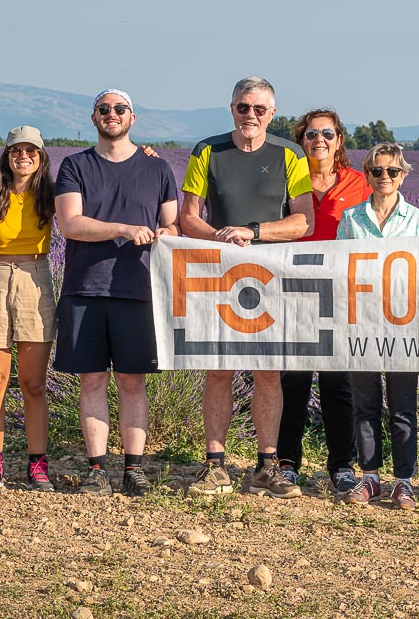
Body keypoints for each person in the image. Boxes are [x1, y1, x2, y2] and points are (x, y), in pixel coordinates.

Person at [181, 77, 314, 499]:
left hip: (271, 276)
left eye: (259, 109)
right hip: (218, 274)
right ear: (232, 109)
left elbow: (301, 221)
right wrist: (220, 237)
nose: (250, 115)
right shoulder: (207, 151)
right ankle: (215, 465)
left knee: (267, 372)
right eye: (243, 107)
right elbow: (189, 217)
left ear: (273, 113)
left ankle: (267, 466)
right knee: (218, 369)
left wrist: (252, 232)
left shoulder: (290, 155)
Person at [53, 89, 180, 497]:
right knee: (91, 379)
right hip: (85, 286)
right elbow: (70, 224)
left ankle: (134, 468)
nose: (112, 114)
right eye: (104, 109)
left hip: (139, 289)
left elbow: (174, 225)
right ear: (94, 118)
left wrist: (166, 234)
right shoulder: (75, 165)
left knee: (132, 380)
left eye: (119, 109)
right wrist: (123, 228)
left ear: (132, 117)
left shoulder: (157, 168)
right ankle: (96, 469)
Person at [276, 109, 370, 495]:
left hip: (340, 293)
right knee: (292, 382)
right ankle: (286, 462)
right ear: (301, 139)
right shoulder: (287, 181)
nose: (320, 140)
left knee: (338, 384)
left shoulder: (359, 182)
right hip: (292, 290)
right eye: (312, 133)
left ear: (339, 140)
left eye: (327, 133)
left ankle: (341, 465)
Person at [336, 143, 419, 510]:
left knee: (403, 404)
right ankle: (370, 476)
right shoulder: (351, 218)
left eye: (392, 171)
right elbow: (340, 270)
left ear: (403, 175)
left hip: (404, 324)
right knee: (365, 403)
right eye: (377, 171)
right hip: (362, 323)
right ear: (368, 173)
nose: (385, 178)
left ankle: (404, 480)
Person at [0, 126, 57, 491]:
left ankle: (37, 464)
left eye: (31, 151)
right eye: (16, 151)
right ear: (6, 156)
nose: (23, 157)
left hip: (36, 279)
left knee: (33, 384)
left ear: (40, 156)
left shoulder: (50, 192)